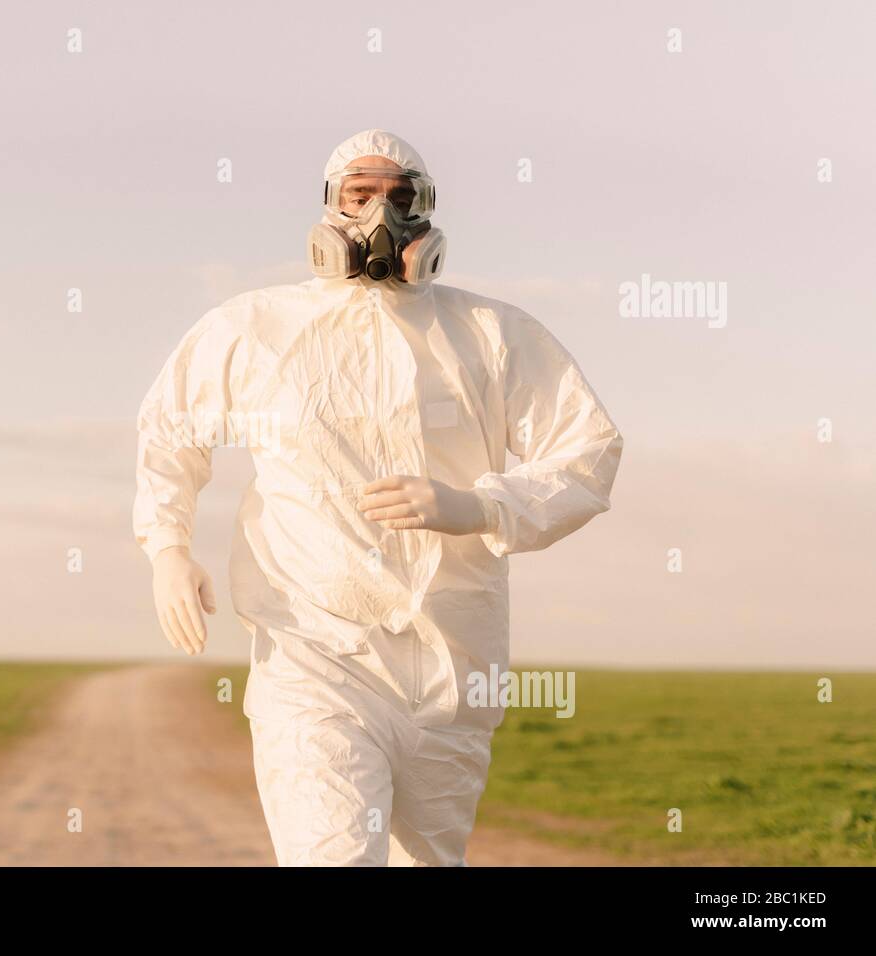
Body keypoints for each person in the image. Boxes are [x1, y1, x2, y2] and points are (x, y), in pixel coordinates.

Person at [133, 129, 623, 866]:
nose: (380, 216)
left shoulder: (490, 334)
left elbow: (589, 450)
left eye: (401, 197)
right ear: (329, 208)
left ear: (427, 214)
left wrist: (482, 505)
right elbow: (170, 431)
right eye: (360, 195)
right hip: (313, 652)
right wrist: (167, 547)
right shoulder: (256, 328)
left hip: (454, 664)